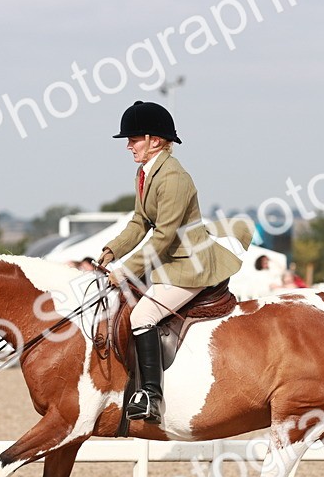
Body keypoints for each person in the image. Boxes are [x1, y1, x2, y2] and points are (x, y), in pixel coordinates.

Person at [97, 100, 245, 423]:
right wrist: (112, 250)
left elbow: (163, 235)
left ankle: (151, 396)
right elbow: (139, 223)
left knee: (142, 315)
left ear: (155, 140)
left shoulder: (175, 178)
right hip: (167, 263)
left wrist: (125, 271)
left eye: (134, 139)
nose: (128, 146)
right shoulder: (145, 173)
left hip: (189, 266)